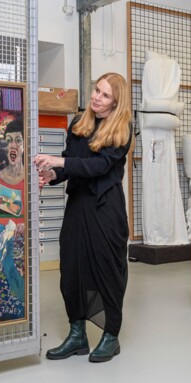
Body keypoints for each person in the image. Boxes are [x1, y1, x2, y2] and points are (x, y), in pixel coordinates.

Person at [33, 72, 133, 363]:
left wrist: (59, 161)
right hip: (78, 205)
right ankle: (77, 335)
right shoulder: (79, 123)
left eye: (104, 95)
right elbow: (70, 163)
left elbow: (99, 166)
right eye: (96, 91)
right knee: (72, 270)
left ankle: (110, 336)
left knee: (108, 272)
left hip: (105, 209)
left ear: (116, 104)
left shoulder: (122, 130)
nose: (96, 98)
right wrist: (53, 173)